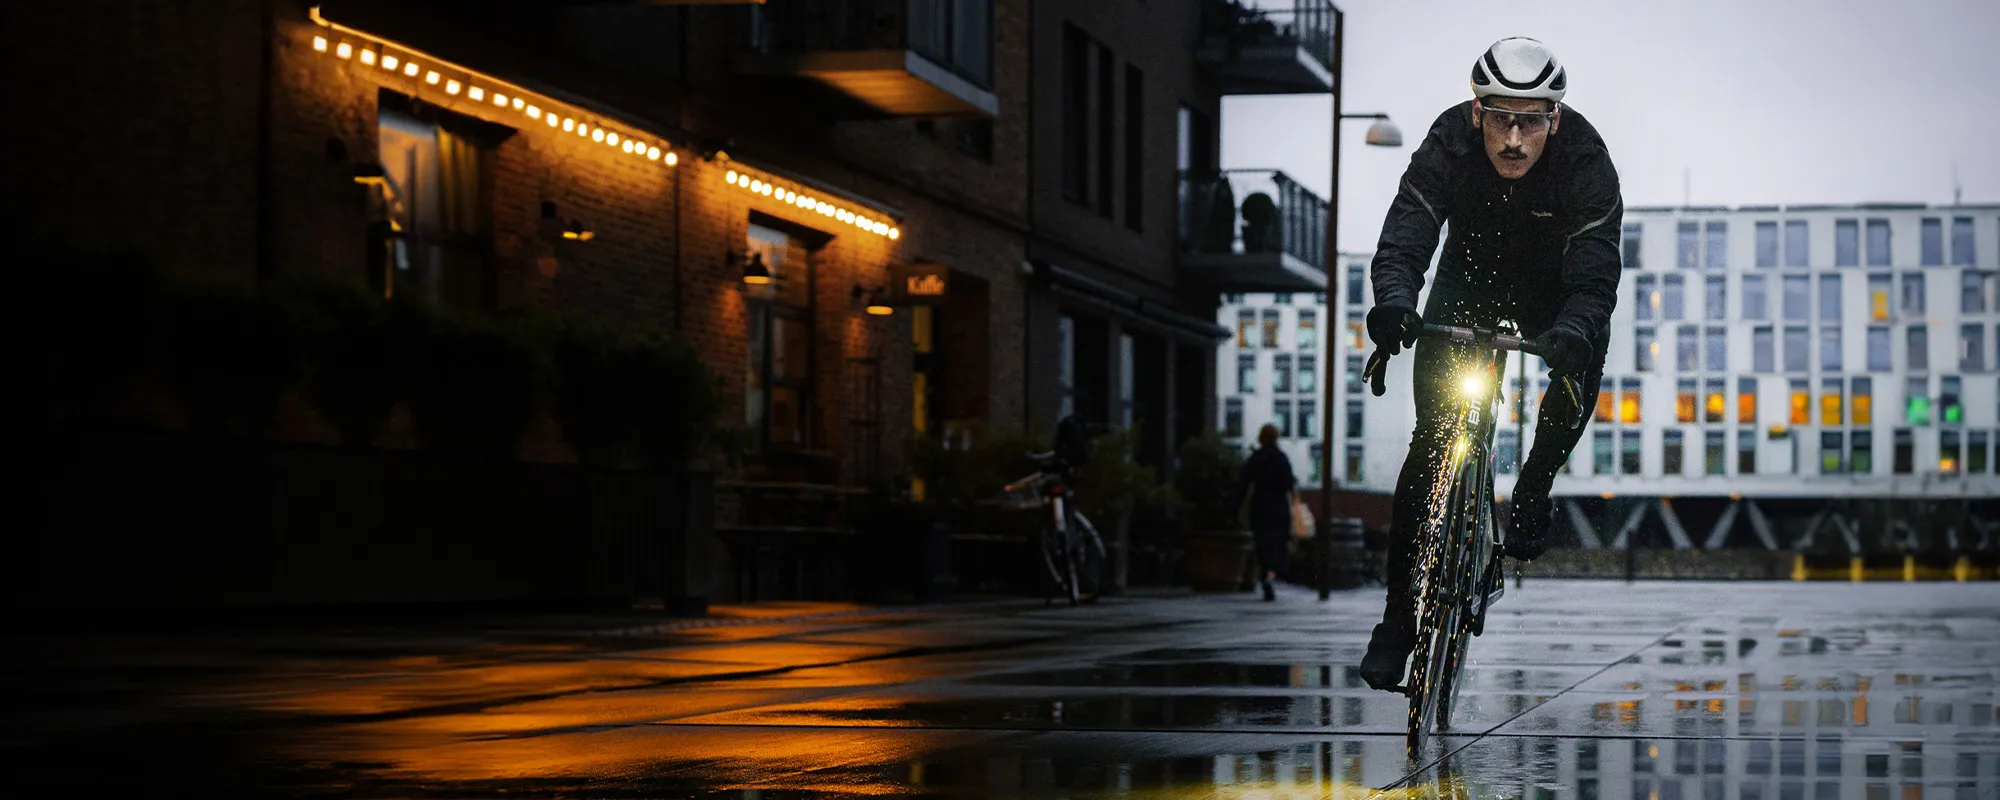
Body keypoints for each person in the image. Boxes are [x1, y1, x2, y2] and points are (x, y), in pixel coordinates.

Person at [1358, 37, 1621, 690]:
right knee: (1433, 441)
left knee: (1577, 370)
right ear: (1475, 111)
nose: (1512, 137)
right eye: (1499, 116)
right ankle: (1397, 620)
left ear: (1554, 120)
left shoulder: (1586, 162)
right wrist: (1394, 300)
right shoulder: (1447, 142)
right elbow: (1408, 231)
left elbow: (1593, 276)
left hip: (1552, 291)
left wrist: (1577, 329)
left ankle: (1532, 488)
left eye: (1530, 120)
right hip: (1467, 283)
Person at [1230, 423, 1299, 602]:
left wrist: (1234, 508)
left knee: (1262, 546)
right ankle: (1269, 577)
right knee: (1276, 547)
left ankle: (1264, 576)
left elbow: (1243, 484)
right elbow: (1289, 485)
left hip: (1260, 506)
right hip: (1278, 509)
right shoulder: (1281, 459)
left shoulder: (1256, 458)